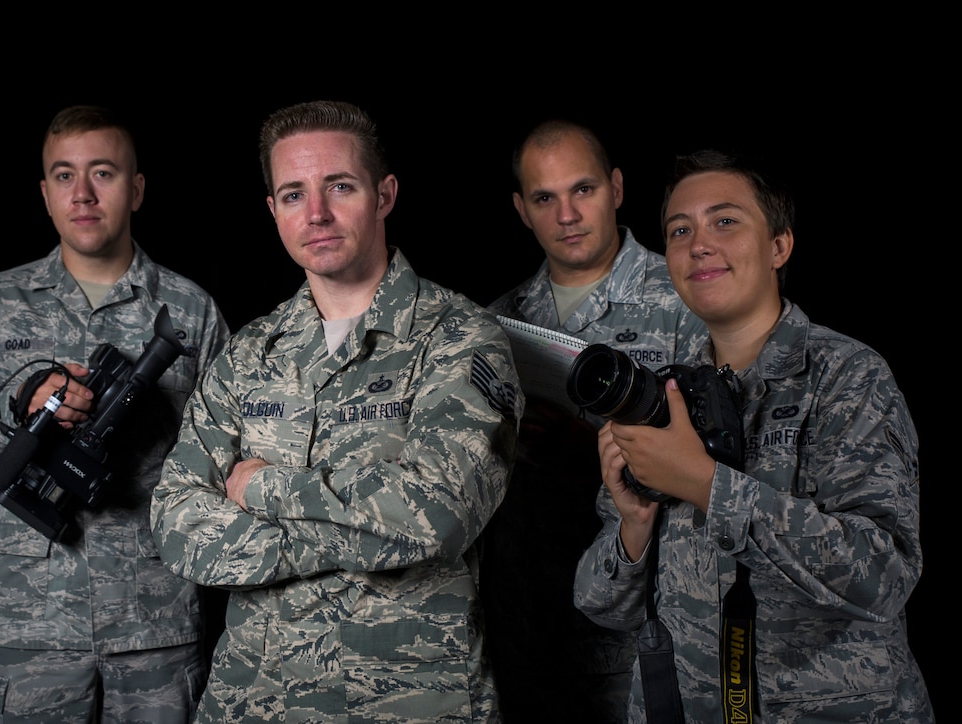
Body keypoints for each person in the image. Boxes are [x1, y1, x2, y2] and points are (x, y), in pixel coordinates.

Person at [150, 99, 523, 723]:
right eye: (293, 194)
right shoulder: (248, 355)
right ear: (273, 210)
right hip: (257, 698)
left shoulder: (460, 339)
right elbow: (176, 521)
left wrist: (262, 486)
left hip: (409, 699)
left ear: (385, 194)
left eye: (339, 187)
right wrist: (364, 533)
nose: (316, 213)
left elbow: (436, 516)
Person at [574, 148, 934, 722]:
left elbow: (882, 576)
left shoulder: (847, 377)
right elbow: (601, 605)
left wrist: (704, 484)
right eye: (679, 230)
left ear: (779, 246)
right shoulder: (661, 395)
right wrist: (635, 526)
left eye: (725, 221)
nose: (698, 244)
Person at [0, 105, 230, 722]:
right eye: (64, 176)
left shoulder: (190, 313)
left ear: (136, 188)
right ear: (45, 192)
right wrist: (17, 408)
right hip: (31, 621)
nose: (82, 194)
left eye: (104, 174)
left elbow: (234, 459)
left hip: (154, 621)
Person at [481, 119, 707, 722]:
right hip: (530, 629)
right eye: (544, 198)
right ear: (521, 210)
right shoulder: (495, 323)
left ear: (616, 188)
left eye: (582, 190)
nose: (567, 214)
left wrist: (591, 451)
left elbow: (725, 473)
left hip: (646, 636)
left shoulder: (689, 296)